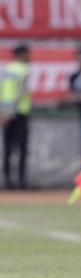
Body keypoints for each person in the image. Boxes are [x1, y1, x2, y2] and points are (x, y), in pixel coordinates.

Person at [1, 43, 31, 190]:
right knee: (21, 148)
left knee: (7, 148)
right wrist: (11, 111)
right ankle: (21, 181)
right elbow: (21, 92)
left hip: (5, 113)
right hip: (19, 112)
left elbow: (2, 91)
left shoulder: (6, 69)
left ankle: (7, 180)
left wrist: (3, 112)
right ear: (23, 54)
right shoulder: (24, 69)